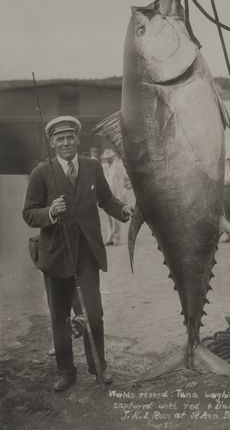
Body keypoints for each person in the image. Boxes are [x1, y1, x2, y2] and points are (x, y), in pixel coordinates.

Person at [22, 116, 133, 392]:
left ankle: (99, 367)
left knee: (92, 314)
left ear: (77, 139)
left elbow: (106, 199)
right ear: (52, 142)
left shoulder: (93, 167)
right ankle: (65, 371)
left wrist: (122, 210)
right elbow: (28, 213)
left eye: (70, 137)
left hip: (86, 253)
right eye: (60, 139)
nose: (66, 143)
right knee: (60, 316)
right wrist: (50, 212)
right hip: (55, 253)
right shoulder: (41, 173)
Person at [100, 149, 128, 246]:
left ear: (113, 157)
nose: (109, 160)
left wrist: (123, 192)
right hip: (107, 195)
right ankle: (110, 237)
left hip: (117, 194)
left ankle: (117, 237)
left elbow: (125, 177)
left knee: (116, 216)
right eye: (107, 158)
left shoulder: (118, 166)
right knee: (108, 217)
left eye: (110, 158)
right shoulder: (104, 167)